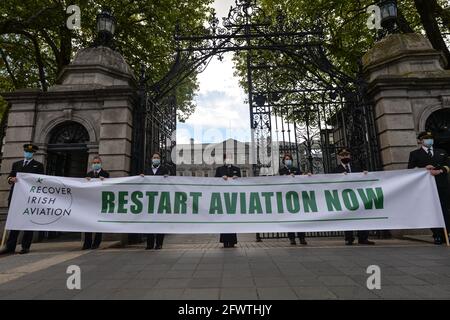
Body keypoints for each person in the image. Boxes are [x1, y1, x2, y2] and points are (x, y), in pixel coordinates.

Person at [0, 144, 44, 255]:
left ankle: (25, 246)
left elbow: (41, 180)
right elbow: (9, 177)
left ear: (33, 153)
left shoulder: (38, 166)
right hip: (16, 198)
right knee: (14, 222)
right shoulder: (16, 164)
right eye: (26, 151)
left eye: (30, 152)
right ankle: (10, 246)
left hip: (29, 199)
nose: (28, 153)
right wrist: (11, 179)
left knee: (28, 222)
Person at [408, 131, 450, 245]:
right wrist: (423, 169)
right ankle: (437, 234)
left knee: (445, 209)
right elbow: (410, 171)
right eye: (426, 138)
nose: (429, 140)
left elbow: (447, 166)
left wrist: (440, 170)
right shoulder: (415, 154)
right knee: (431, 210)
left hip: (442, 185)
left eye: (431, 138)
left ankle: (447, 233)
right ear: (420, 141)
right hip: (426, 188)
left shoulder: (441, 152)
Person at [333, 148, 375, 246]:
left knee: (362, 216)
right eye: (343, 155)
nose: (345, 157)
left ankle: (363, 238)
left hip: (358, 196)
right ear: (339, 157)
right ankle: (349, 238)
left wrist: (365, 175)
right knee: (347, 217)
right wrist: (339, 177)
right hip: (344, 196)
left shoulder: (357, 168)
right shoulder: (336, 170)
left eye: (346, 154)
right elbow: (331, 183)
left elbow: (365, 180)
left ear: (350, 155)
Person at [142, 152, 169, 250]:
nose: (156, 159)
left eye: (157, 157)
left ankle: (159, 243)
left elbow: (169, 183)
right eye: (154, 157)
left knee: (160, 221)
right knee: (149, 221)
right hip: (149, 199)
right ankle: (149, 244)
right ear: (151, 159)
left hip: (160, 198)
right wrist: (141, 178)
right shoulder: (146, 170)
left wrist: (167, 178)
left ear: (160, 159)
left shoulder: (164, 170)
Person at [279, 153, 307, 245]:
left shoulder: (296, 169)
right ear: (283, 161)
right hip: (287, 197)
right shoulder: (281, 171)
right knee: (289, 218)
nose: (288, 160)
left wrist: (308, 175)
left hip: (297, 196)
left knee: (300, 218)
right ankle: (292, 238)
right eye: (286, 159)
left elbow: (303, 178)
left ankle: (302, 237)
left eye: (289, 159)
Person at [83, 156, 109, 250]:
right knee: (87, 223)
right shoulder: (89, 174)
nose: (95, 164)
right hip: (90, 203)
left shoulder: (105, 174)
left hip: (100, 202)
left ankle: (96, 243)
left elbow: (109, 186)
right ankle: (87, 244)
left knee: (98, 224)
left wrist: (104, 180)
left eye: (97, 162)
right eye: (94, 163)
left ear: (101, 164)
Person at [215, 154, 240, 248]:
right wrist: (221, 178)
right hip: (223, 196)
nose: (228, 160)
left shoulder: (236, 169)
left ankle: (233, 241)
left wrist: (237, 178)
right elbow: (215, 180)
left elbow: (242, 181)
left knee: (232, 219)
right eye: (226, 158)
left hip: (233, 196)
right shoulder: (219, 169)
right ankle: (225, 241)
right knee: (224, 219)